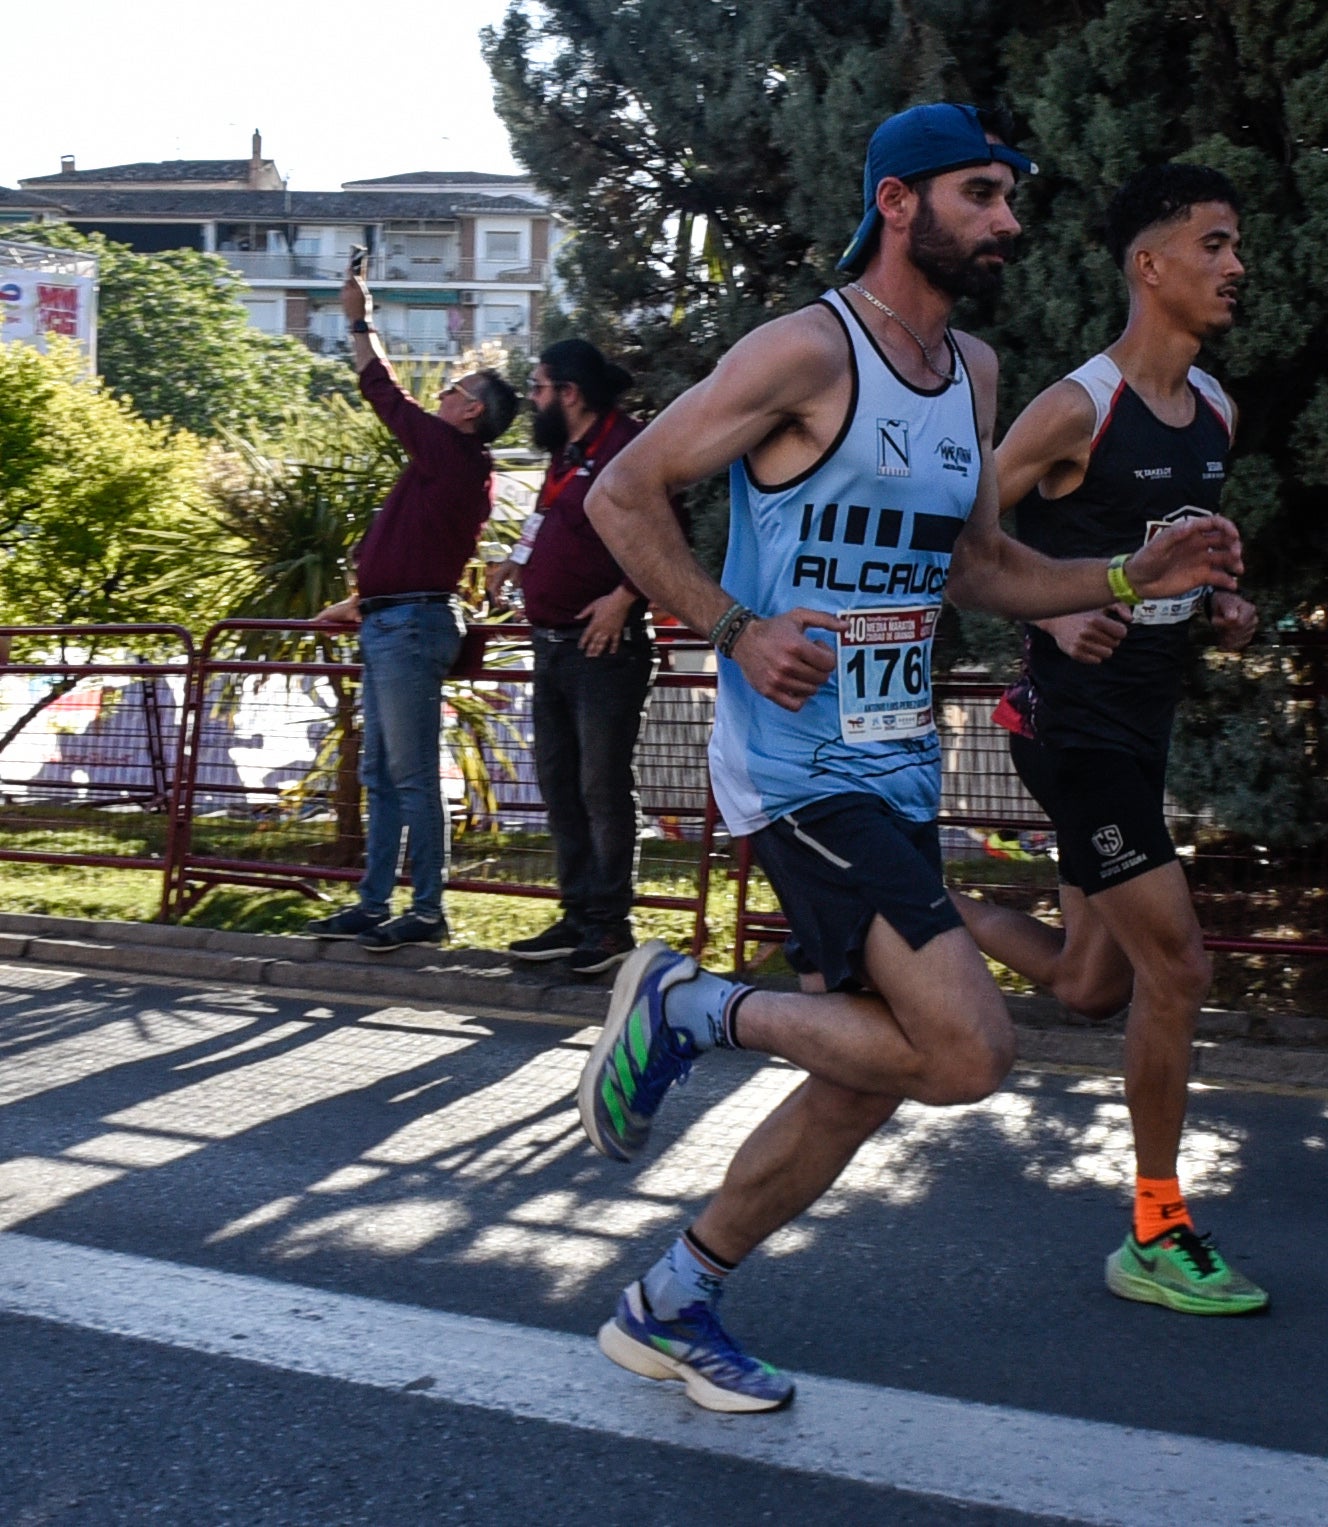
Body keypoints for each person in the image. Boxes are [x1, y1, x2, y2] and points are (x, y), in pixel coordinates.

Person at [579, 102, 1245, 1413]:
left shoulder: (975, 376)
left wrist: (1121, 572)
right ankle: (684, 1006)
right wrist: (733, 625)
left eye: (1008, 197)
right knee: (966, 1048)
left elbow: (983, 565)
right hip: (796, 761)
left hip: (896, 761)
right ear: (900, 204)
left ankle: (671, 1295)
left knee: (867, 1070)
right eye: (982, 195)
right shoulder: (804, 353)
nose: (1007, 221)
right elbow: (621, 492)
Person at [956, 162, 1268, 1316]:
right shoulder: (1077, 408)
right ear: (1151, 266)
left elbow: (1176, 575)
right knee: (1177, 966)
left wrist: (1225, 611)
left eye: (1236, 247)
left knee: (1093, 985)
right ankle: (1154, 1224)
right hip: (1067, 724)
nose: (1236, 267)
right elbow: (956, 542)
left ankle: (913, 917)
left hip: (1142, 725)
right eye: (1215, 245)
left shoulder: (1217, 412)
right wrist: (1052, 600)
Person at [304, 274, 519, 953]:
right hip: (394, 619)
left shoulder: (450, 455)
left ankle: (424, 907)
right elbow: (418, 552)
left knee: (411, 775)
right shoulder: (452, 464)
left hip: (408, 625)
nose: (445, 392)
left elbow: (383, 393)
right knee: (383, 773)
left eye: (457, 390)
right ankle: (377, 902)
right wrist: (364, 601)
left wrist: (360, 322)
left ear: (471, 414)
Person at [489, 339, 680, 976]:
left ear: (570, 393)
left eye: (539, 387)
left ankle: (609, 926)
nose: (532, 399)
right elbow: (546, 520)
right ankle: (576, 916)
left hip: (605, 652)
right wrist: (517, 563)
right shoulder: (563, 454)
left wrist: (625, 599)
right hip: (549, 647)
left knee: (601, 785)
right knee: (560, 784)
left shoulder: (629, 447)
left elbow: (669, 538)